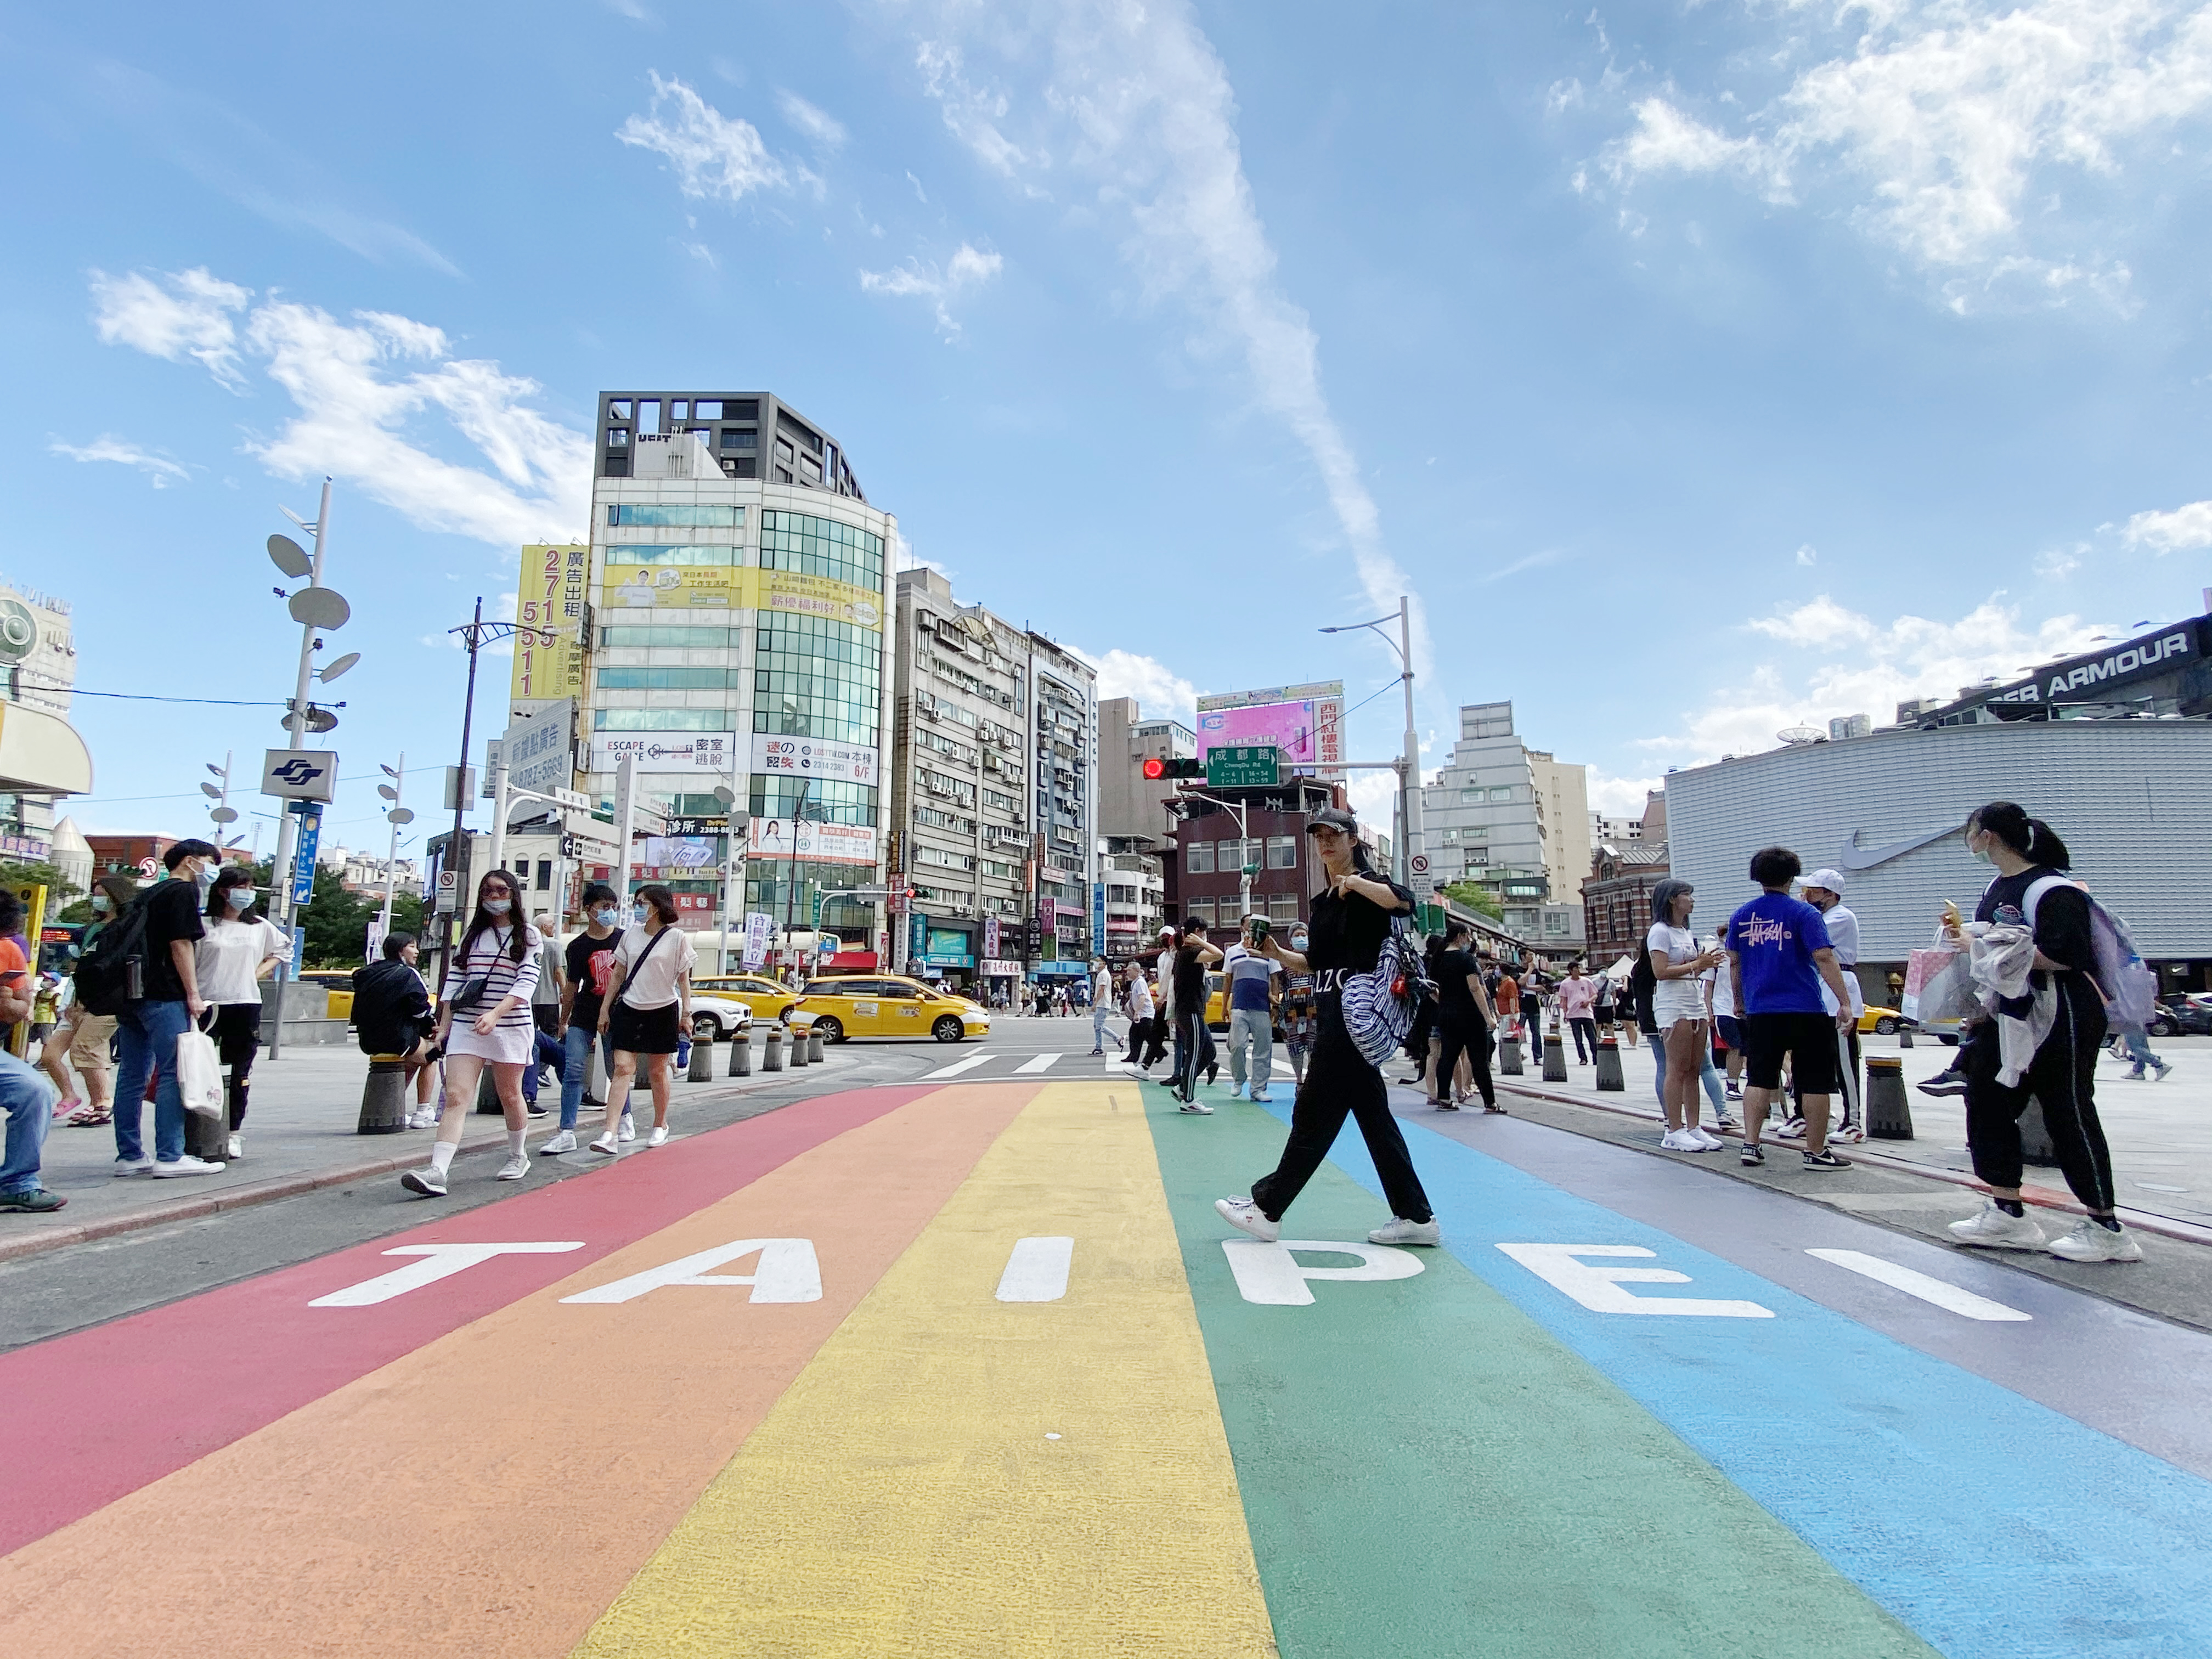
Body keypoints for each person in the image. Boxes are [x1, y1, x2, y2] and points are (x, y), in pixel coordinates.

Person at [1217, 808, 1437, 1247]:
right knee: (1374, 1122)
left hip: (1356, 1018)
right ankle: (1416, 1216)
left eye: (1334, 835)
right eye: (1319, 837)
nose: (1326, 844)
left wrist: (1353, 883)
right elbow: (1315, 963)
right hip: (1333, 1012)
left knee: (1313, 1117)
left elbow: (1404, 902)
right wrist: (1276, 953)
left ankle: (1268, 1208)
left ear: (1353, 840)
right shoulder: (1321, 904)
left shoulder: (1369, 887)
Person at [1940, 803, 2141, 1262]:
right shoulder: (1996, 887)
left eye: (1971, 831)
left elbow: (2067, 956)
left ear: (1988, 836)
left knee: (2067, 1107)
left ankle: (2106, 1226)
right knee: (1986, 1098)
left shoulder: (2053, 889)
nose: (1968, 840)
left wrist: (1980, 947)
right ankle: (2007, 1211)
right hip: (2009, 1010)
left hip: (2063, 1008)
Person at [400, 870, 541, 1198]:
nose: (494, 897)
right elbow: (455, 979)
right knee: (457, 1095)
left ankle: (518, 1154)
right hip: (468, 1023)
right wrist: (445, 1025)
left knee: (510, 1094)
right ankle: (438, 1171)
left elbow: (526, 981)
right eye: (487, 891)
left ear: (514, 894)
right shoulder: (472, 935)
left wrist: (496, 1014)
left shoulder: (528, 935)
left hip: (511, 1025)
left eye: (501, 891)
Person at [1726, 847, 1856, 1172]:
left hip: (1761, 1008)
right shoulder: (1805, 914)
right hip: (1805, 1007)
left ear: (1757, 876)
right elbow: (1824, 957)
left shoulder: (1741, 916)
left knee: (1759, 1078)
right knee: (1815, 1080)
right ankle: (1816, 1151)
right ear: (1792, 877)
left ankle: (1751, 1145)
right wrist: (1844, 1001)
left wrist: (1740, 1001)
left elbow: (1735, 964)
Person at [111, 839, 227, 1178]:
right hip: (164, 993)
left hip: (133, 994)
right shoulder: (183, 891)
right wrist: (193, 993)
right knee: (175, 1071)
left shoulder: (150, 893)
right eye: (210, 862)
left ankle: (130, 1154)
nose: (212, 870)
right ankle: (170, 1154)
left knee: (132, 1076)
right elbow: (181, 944)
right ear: (190, 861)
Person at [592, 884, 695, 1155]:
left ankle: (660, 1125)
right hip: (629, 1008)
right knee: (622, 1068)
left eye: (642, 903)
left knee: (657, 1072)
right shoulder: (630, 935)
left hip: (663, 1009)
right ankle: (610, 1133)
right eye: (636, 902)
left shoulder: (677, 938)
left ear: (658, 907)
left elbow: (684, 980)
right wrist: (604, 1010)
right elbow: (618, 974)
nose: (637, 907)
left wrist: (687, 1013)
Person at [195, 866, 289, 1160]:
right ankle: (199, 1129)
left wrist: (256, 973)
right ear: (223, 891)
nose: (246, 893)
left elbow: (283, 949)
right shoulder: (203, 925)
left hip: (245, 1002)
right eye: (240, 887)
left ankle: (233, 1131)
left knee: (240, 1071)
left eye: (250, 888)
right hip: (206, 1004)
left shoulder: (259, 926)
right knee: (200, 1070)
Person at [548, 884, 630, 1153]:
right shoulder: (577, 946)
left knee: (616, 1069)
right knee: (573, 1069)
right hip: (583, 1015)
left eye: (613, 907)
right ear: (589, 910)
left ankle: (624, 1119)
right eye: (605, 907)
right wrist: (563, 1020)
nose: (610, 912)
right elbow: (571, 986)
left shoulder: (624, 939)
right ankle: (566, 1131)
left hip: (617, 1014)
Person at [56, 873, 138, 1127]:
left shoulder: (126, 927)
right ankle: (98, 1102)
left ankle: (102, 1104)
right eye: (95, 895)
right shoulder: (93, 929)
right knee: (85, 1049)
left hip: (110, 999)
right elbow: (81, 966)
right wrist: (76, 1001)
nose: (97, 899)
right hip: (87, 997)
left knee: (86, 1046)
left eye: (103, 895)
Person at [1647, 879, 1723, 1153]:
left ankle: (1693, 1126)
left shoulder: (1685, 932)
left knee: (1694, 1067)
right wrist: (1696, 964)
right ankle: (1674, 1128)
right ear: (1672, 899)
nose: (1692, 900)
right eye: (1687, 895)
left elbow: (1689, 968)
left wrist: (1703, 965)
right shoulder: (1660, 931)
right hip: (1673, 1001)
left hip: (1693, 996)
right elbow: (1660, 971)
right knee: (1676, 1067)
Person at [1795, 868, 1865, 1143]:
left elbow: (1808, 940)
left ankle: (1854, 1121)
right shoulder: (1822, 916)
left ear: (1829, 894)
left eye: (1812, 891)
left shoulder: (1840, 917)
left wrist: (1799, 911)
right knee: (1814, 1057)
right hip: (1820, 988)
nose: (1806, 895)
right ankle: (1808, 1116)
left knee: (1844, 1058)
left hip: (1840, 984)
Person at [0, 933, 64, 1212]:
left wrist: (6, 1003)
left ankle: (17, 1184)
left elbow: (20, 1008)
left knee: (35, 1090)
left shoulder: (8, 950)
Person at [352, 932, 439, 1115]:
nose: (417, 951)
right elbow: (420, 1011)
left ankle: (394, 1108)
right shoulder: (408, 973)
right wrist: (431, 1025)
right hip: (398, 1039)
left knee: (413, 1059)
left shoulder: (368, 973)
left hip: (368, 1040)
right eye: (412, 947)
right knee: (431, 1055)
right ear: (401, 951)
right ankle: (423, 1112)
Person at [1431, 919, 1500, 1111]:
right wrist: (1488, 1017)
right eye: (1468, 936)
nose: (1469, 940)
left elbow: (1432, 989)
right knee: (1479, 1060)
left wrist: (1444, 1003)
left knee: (1447, 1057)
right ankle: (1490, 1103)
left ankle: (1444, 1099)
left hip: (1447, 1014)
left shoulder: (1438, 960)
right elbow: (1475, 988)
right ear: (1460, 937)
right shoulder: (1466, 959)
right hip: (1470, 1016)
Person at [1221, 916, 1282, 1103]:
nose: (1252, 928)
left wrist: (1275, 1005)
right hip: (1239, 1006)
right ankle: (1239, 1078)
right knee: (1237, 1046)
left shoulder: (1268, 952)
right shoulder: (1232, 952)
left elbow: (1274, 979)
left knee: (1263, 1049)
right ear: (1242, 927)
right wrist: (1224, 1006)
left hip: (1262, 1007)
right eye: (1249, 924)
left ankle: (1258, 1089)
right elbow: (1228, 980)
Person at [1169, 916, 1223, 1111]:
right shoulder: (1189, 952)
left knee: (1209, 1052)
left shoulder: (1186, 953)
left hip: (1193, 1011)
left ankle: (1182, 1088)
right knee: (1194, 1055)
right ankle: (1188, 1100)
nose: (1206, 936)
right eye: (1204, 932)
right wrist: (1201, 942)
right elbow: (1218, 954)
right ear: (1198, 932)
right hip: (1190, 1010)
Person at [518, 913, 567, 1120]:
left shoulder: (524, 945)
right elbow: (559, 972)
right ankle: (542, 1077)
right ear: (545, 927)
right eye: (553, 925)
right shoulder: (554, 946)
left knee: (538, 1038)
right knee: (548, 1036)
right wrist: (566, 994)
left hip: (527, 1001)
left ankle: (541, 1076)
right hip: (547, 998)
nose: (555, 928)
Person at [1279, 924, 1318, 1087]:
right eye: (1297, 935)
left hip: (1313, 1009)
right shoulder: (1284, 961)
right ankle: (1299, 1080)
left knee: (1313, 1045)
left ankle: (1311, 1080)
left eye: (1303, 934)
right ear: (1290, 940)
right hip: (1291, 1010)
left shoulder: (1315, 958)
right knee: (1294, 1047)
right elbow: (1276, 983)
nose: (1301, 938)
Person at [1556, 961, 1600, 1064]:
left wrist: (1588, 1001)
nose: (1578, 971)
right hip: (1573, 1014)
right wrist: (1565, 1013)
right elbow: (1564, 999)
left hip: (1587, 1013)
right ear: (1571, 971)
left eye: (1579, 969)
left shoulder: (1587, 981)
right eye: (1576, 969)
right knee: (1578, 1039)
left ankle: (1596, 1058)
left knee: (1592, 1038)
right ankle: (1583, 1058)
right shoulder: (1565, 984)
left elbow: (1595, 994)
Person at [1090, 958, 1118, 1056]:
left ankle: (1118, 1038)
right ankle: (1098, 1047)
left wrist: (1095, 1003)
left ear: (1104, 963)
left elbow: (1101, 990)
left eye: (1098, 961)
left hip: (1103, 1004)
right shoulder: (1101, 974)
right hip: (1102, 1003)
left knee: (1099, 1026)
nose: (1096, 963)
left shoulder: (1104, 974)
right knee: (1097, 1026)